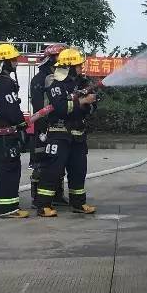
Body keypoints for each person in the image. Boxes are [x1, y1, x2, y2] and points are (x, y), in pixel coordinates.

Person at [36, 48, 99, 217]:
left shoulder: (82, 83)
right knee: (53, 169)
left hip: (78, 133)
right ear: (69, 66)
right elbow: (62, 108)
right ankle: (43, 205)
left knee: (79, 170)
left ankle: (79, 203)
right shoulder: (55, 83)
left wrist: (87, 103)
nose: (81, 68)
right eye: (77, 65)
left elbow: (93, 106)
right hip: (59, 133)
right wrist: (83, 101)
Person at [0, 43, 29, 219]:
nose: (16, 63)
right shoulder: (4, 82)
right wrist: (22, 126)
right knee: (9, 170)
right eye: (13, 60)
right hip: (6, 135)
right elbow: (10, 109)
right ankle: (8, 208)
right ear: (4, 62)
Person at [28, 43, 67, 210]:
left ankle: (56, 196)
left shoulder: (59, 78)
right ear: (52, 59)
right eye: (61, 58)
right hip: (43, 128)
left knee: (57, 163)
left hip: (58, 128)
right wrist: (44, 128)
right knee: (41, 163)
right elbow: (39, 107)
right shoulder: (40, 79)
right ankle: (38, 198)